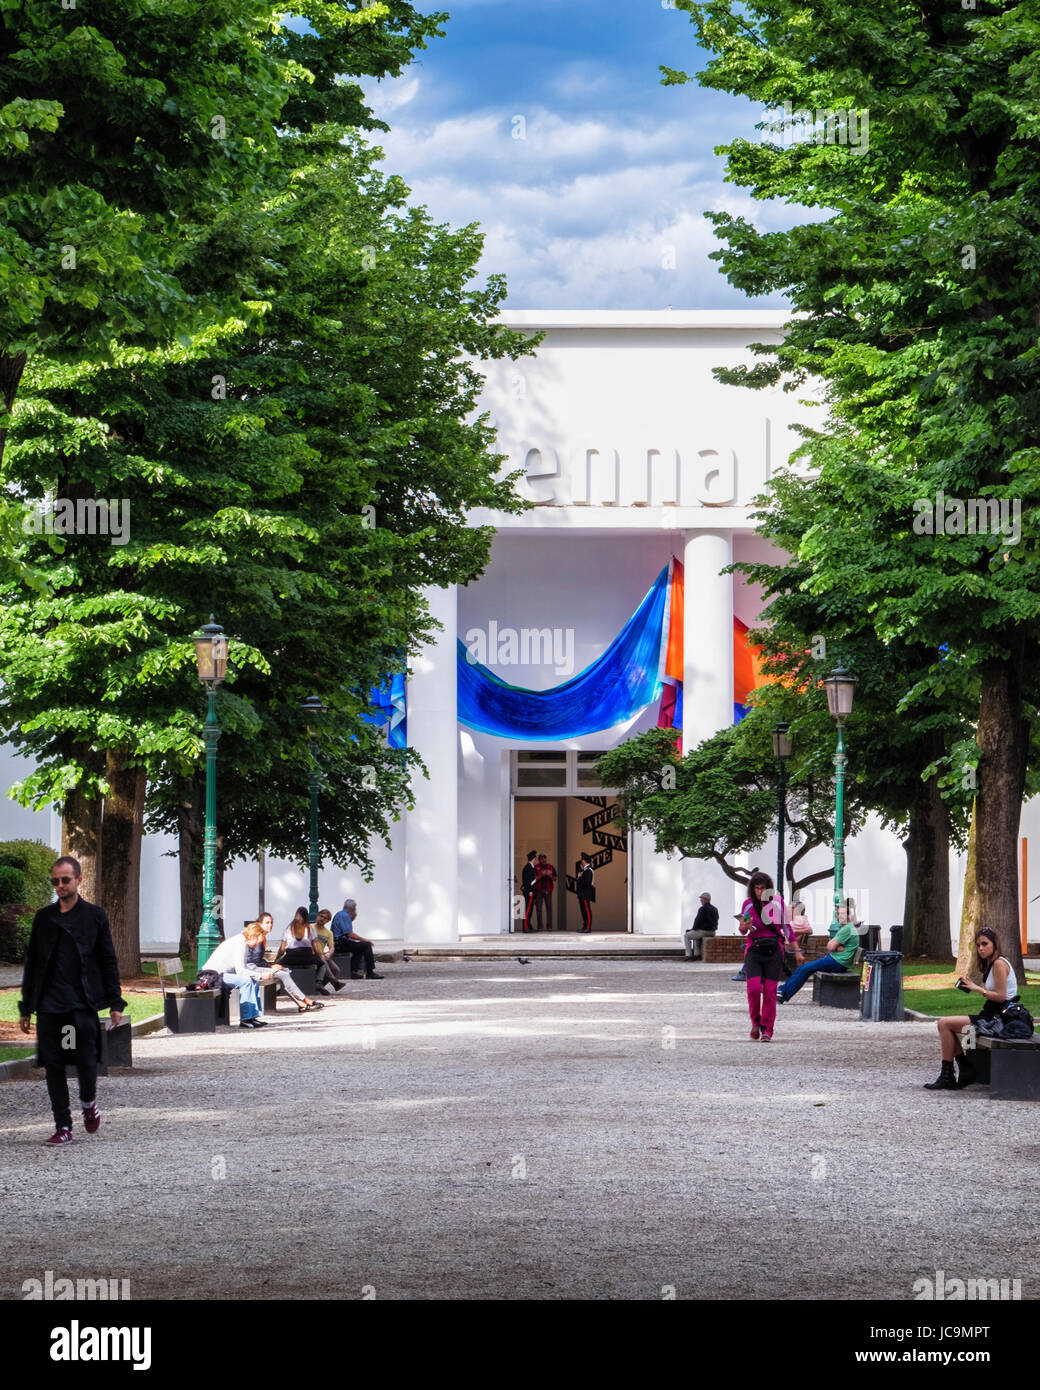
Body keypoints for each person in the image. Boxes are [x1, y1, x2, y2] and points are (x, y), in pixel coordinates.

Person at [18, 856, 127, 1145]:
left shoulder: (94, 916)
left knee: (83, 1060)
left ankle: (89, 1104)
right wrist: (27, 1007)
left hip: (81, 1003)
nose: (60, 886)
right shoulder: (44, 918)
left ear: (78, 879)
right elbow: (33, 963)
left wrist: (115, 1003)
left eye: (65, 880)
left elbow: (108, 960)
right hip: (51, 1005)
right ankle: (63, 1126)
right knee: (54, 1065)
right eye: (55, 881)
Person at [924, 927, 1017, 1090]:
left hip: (998, 1020)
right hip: (991, 1015)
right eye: (978, 945)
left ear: (994, 944)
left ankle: (954, 1073)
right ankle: (961, 1069)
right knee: (945, 1024)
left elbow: (1001, 996)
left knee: (944, 1023)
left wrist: (977, 989)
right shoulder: (992, 964)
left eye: (985, 944)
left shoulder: (999, 964)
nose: (981, 948)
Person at [738, 871, 795, 1041]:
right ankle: (755, 1022)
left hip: (774, 950)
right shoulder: (747, 905)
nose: (760, 892)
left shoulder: (777, 903)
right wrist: (745, 926)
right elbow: (742, 930)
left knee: (770, 992)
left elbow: (786, 927)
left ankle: (767, 1029)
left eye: (763, 888)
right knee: (754, 988)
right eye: (757, 888)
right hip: (754, 949)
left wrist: (796, 949)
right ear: (752, 889)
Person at [777, 904, 860, 1003]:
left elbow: (829, 946)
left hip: (837, 962)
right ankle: (782, 992)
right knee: (803, 968)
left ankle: (782, 993)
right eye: (837, 914)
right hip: (837, 960)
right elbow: (832, 946)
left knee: (805, 969)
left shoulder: (847, 929)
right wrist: (838, 947)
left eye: (842, 914)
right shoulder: (847, 927)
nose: (839, 917)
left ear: (847, 915)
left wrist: (835, 947)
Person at [201, 922, 269, 1029]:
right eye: (257, 941)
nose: (257, 945)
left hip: (223, 973)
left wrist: (256, 976)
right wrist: (259, 974)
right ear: (252, 936)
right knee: (247, 982)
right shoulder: (240, 943)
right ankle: (245, 1018)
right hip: (213, 975)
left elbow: (242, 968)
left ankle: (252, 1016)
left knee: (253, 981)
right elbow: (241, 971)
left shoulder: (243, 942)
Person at [248, 918, 323, 1013]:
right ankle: (305, 1000)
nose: (270, 925)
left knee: (285, 971)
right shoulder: (258, 937)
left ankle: (301, 1004)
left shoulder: (262, 937)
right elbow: (254, 960)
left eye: (271, 922)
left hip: (254, 966)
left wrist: (271, 965)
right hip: (251, 968)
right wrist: (270, 965)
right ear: (259, 924)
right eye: (267, 922)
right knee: (283, 974)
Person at [330, 899, 384, 979]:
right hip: (340, 944)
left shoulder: (341, 914)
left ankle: (353, 970)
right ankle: (370, 972)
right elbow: (350, 934)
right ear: (353, 909)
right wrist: (365, 940)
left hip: (340, 942)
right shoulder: (344, 915)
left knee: (359, 948)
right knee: (366, 945)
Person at [313, 909, 347, 994]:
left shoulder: (328, 933)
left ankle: (320, 986)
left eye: (325, 918)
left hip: (321, 955)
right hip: (312, 954)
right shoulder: (310, 927)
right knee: (323, 961)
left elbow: (332, 948)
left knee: (336, 969)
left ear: (328, 921)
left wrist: (328, 954)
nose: (322, 919)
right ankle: (334, 983)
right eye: (321, 916)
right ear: (317, 916)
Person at [684, 892, 719, 960]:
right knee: (696, 935)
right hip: (712, 932)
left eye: (701, 899)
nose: (700, 901)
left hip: (704, 931)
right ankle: (697, 954)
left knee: (687, 936)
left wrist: (693, 929)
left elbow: (697, 920)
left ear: (706, 899)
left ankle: (689, 955)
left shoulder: (702, 909)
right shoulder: (715, 909)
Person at [533, 853, 557, 931]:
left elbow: (555, 879)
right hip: (539, 890)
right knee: (539, 909)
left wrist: (550, 875)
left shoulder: (551, 867)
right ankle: (540, 926)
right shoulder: (536, 867)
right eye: (542, 858)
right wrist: (542, 874)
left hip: (548, 890)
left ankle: (549, 926)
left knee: (549, 908)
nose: (544, 860)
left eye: (545, 858)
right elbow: (533, 880)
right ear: (539, 860)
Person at [576, 854, 595, 932]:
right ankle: (584, 926)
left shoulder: (588, 870)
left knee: (587, 911)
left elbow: (587, 882)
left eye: (582, 860)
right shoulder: (584, 870)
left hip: (585, 894)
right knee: (583, 911)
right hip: (582, 894)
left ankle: (588, 927)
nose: (581, 861)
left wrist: (580, 877)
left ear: (584, 861)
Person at [520, 850, 538, 932]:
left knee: (529, 910)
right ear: (533, 859)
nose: (536, 860)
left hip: (531, 891)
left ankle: (528, 925)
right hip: (529, 892)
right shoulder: (528, 868)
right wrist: (530, 891)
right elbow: (528, 882)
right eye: (535, 858)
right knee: (527, 910)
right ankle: (525, 927)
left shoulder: (531, 867)